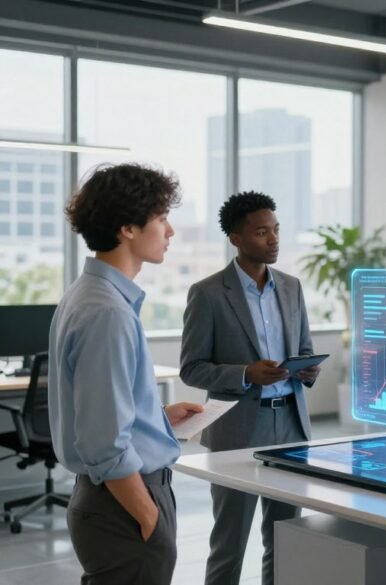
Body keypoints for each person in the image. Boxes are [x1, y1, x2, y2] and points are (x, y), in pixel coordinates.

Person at [48, 163, 203, 585]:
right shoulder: (107, 313)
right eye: (161, 218)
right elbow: (103, 444)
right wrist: (149, 517)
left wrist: (156, 417)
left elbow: (98, 412)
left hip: (111, 497)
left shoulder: (89, 295)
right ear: (128, 228)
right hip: (124, 502)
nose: (170, 231)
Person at [180, 191, 320, 585]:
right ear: (236, 239)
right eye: (262, 232)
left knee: (285, 539)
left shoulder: (291, 287)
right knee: (229, 544)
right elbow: (192, 369)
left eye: (276, 230)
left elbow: (304, 349)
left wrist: (308, 370)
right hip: (237, 431)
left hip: (291, 428)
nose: (273, 239)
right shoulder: (207, 293)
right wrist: (245, 373)